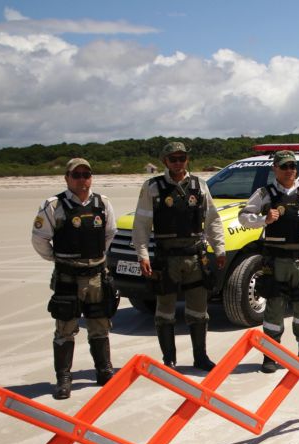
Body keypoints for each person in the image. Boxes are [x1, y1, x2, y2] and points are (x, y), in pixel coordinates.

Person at [132, 141, 226, 372]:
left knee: (198, 310)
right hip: (166, 258)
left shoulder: (199, 186)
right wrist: (142, 254)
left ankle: (200, 357)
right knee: (165, 310)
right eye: (172, 159)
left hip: (196, 256)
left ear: (187, 160)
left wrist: (220, 248)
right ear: (165, 161)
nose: (177, 162)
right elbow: (142, 224)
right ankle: (169, 359)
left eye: (181, 158)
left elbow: (212, 219)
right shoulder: (152, 187)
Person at [31, 158, 118, 399]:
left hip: (96, 276)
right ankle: (64, 378)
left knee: (100, 325)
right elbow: (39, 239)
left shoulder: (102, 203)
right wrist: (58, 259)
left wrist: (96, 257)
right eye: (76, 174)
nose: (82, 179)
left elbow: (109, 233)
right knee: (65, 327)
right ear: (67, 178)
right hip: (67, 276)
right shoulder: (54, 205)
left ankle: (104, 371)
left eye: (86, 174)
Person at [238, 150, 299, 373]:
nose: (290, 170)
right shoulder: (265, 193)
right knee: (274, 309)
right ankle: (270, 356)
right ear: (275, 169)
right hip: (276, 261)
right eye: (285, 166)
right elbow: (243, 216)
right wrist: (263, 219)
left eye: (292, 166)